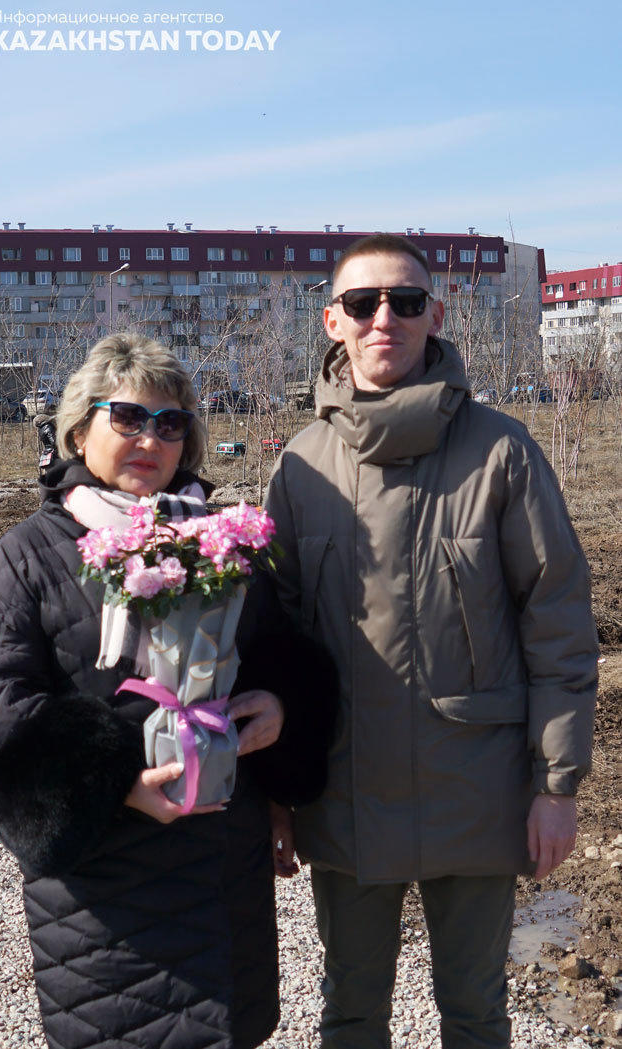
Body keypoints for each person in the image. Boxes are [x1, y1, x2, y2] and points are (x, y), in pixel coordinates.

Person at [265, 234, 598, 1049]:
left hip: (477, 789)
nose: (386, 317)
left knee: (478, 1013)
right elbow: (275, 644)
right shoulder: (300, 467)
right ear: (332, 322)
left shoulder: (501, 451)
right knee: (349, 1011)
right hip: (344, 793)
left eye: (406, 301)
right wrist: (274, 791)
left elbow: (556, 618)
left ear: (435, 315)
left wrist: (557, 783)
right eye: (364, 303)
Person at [0, 333, 336, 1049]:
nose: (150, 437)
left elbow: (276, 656)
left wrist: (282, 711)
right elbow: (3, 706)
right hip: (109, 883)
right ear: (80, 428)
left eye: (170, 423)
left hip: (223, 868)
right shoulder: (34, 553)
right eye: (128, 416)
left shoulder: (225, 542)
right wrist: (116, 783)